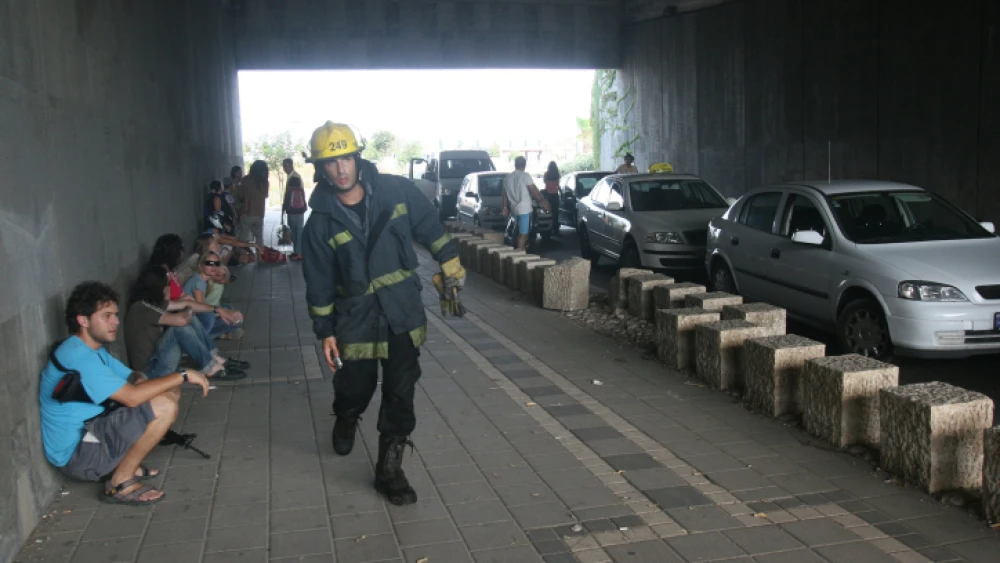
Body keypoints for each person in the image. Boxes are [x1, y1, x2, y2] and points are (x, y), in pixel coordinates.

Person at [302, 121, 464, 506]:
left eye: (346, 158)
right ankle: (346, 414)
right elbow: (319, 283)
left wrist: (450, 260)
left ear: (358, 157)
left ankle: (389, 470)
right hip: (354, 320)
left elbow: (429, 226)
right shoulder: (319, 223)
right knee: (356, 386)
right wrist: (325, 331)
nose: (341, 169)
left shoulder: (397, 191)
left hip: (401, 313)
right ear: (320, 169)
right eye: (330, 162)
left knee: (399, 391)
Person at [39, 281, 211, 505]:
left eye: (115, 315)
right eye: (106, 316)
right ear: (83, 320)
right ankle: (120, 481)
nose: (116, 322)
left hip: (93, 432)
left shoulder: (92, 350)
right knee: (164, 404)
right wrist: (183, 374)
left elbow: (134, 377)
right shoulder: (76, 355)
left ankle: (122, 465)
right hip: (78, 456)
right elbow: (131, 396)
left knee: (167, 389)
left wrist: (148, 386)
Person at [125, 265, 248, 381]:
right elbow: (183, 318)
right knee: (179, 328)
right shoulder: (141, 308)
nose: (170, 288)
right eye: (168, 284)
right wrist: (189, 308)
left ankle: (215, 359)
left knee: (191, 319)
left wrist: (218, 309)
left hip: (158, 359)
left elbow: (187, 304)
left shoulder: (151, 303)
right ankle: (211, 368)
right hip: (152, 372)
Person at [182, 251, 243, 340]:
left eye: (216, 263)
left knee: (232, 313)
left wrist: (226, 311)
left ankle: (214, 334)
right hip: (190, 318)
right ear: (201, 265)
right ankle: (202, 338)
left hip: (196, 315)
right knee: (221, 317)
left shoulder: (202, 280)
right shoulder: (198, 281)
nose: (213, 267)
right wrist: (223, 312)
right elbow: (201, 307)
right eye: (209, 263)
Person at [502, 156, 549, 250]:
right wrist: (543, 202)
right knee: (523, 234)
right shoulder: (525, 176)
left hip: (514, 209)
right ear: (524, 165)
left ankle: (522, 250)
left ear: (515, 165)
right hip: (525, 210)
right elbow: (533, 190)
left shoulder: (507, 177)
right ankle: (520, 256)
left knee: (517, 232)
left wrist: (505, 207)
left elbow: (504, 194)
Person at [238, 160, 269, 245]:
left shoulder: (245, 180)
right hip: (260, 214)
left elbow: (240, 195)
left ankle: (243, 256)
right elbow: (266, 195)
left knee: (243, 238)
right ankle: (260, 256)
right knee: (259, 238)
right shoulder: (265, 182)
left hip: (247, 213)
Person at [282, 175, 308, 260]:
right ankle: (299, 252)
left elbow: (285, 202)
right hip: (300, 213)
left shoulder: (289, 190)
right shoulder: (301, 190)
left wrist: (283, 212)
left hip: (291, 213)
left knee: (293, 232)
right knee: (299, 231)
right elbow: (304, 201)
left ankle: (297, 252)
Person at [542, 161, 561, 236]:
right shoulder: (557, 174)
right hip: (555, 194)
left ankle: (549, 227)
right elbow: (557, 184)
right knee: (555, 212)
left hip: (548, 194)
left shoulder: (546, 174)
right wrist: (561, 192)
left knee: (548, 211)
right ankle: (556, 228)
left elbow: (544, 182)